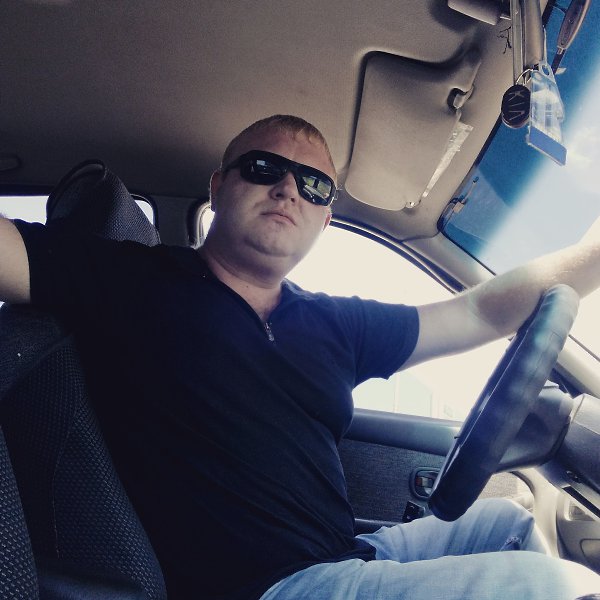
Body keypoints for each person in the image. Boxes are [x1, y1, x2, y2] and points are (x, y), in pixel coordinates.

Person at [0, 114, 599, 600]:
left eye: (314, 186)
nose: (289, 189)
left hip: (344, 558)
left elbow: (478, 313)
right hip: (262, 589)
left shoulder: (335, 323)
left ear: (325, 217)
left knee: (510, 523)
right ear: (219, 186)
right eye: (264, 168)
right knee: (550, 587)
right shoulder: (136, 279)